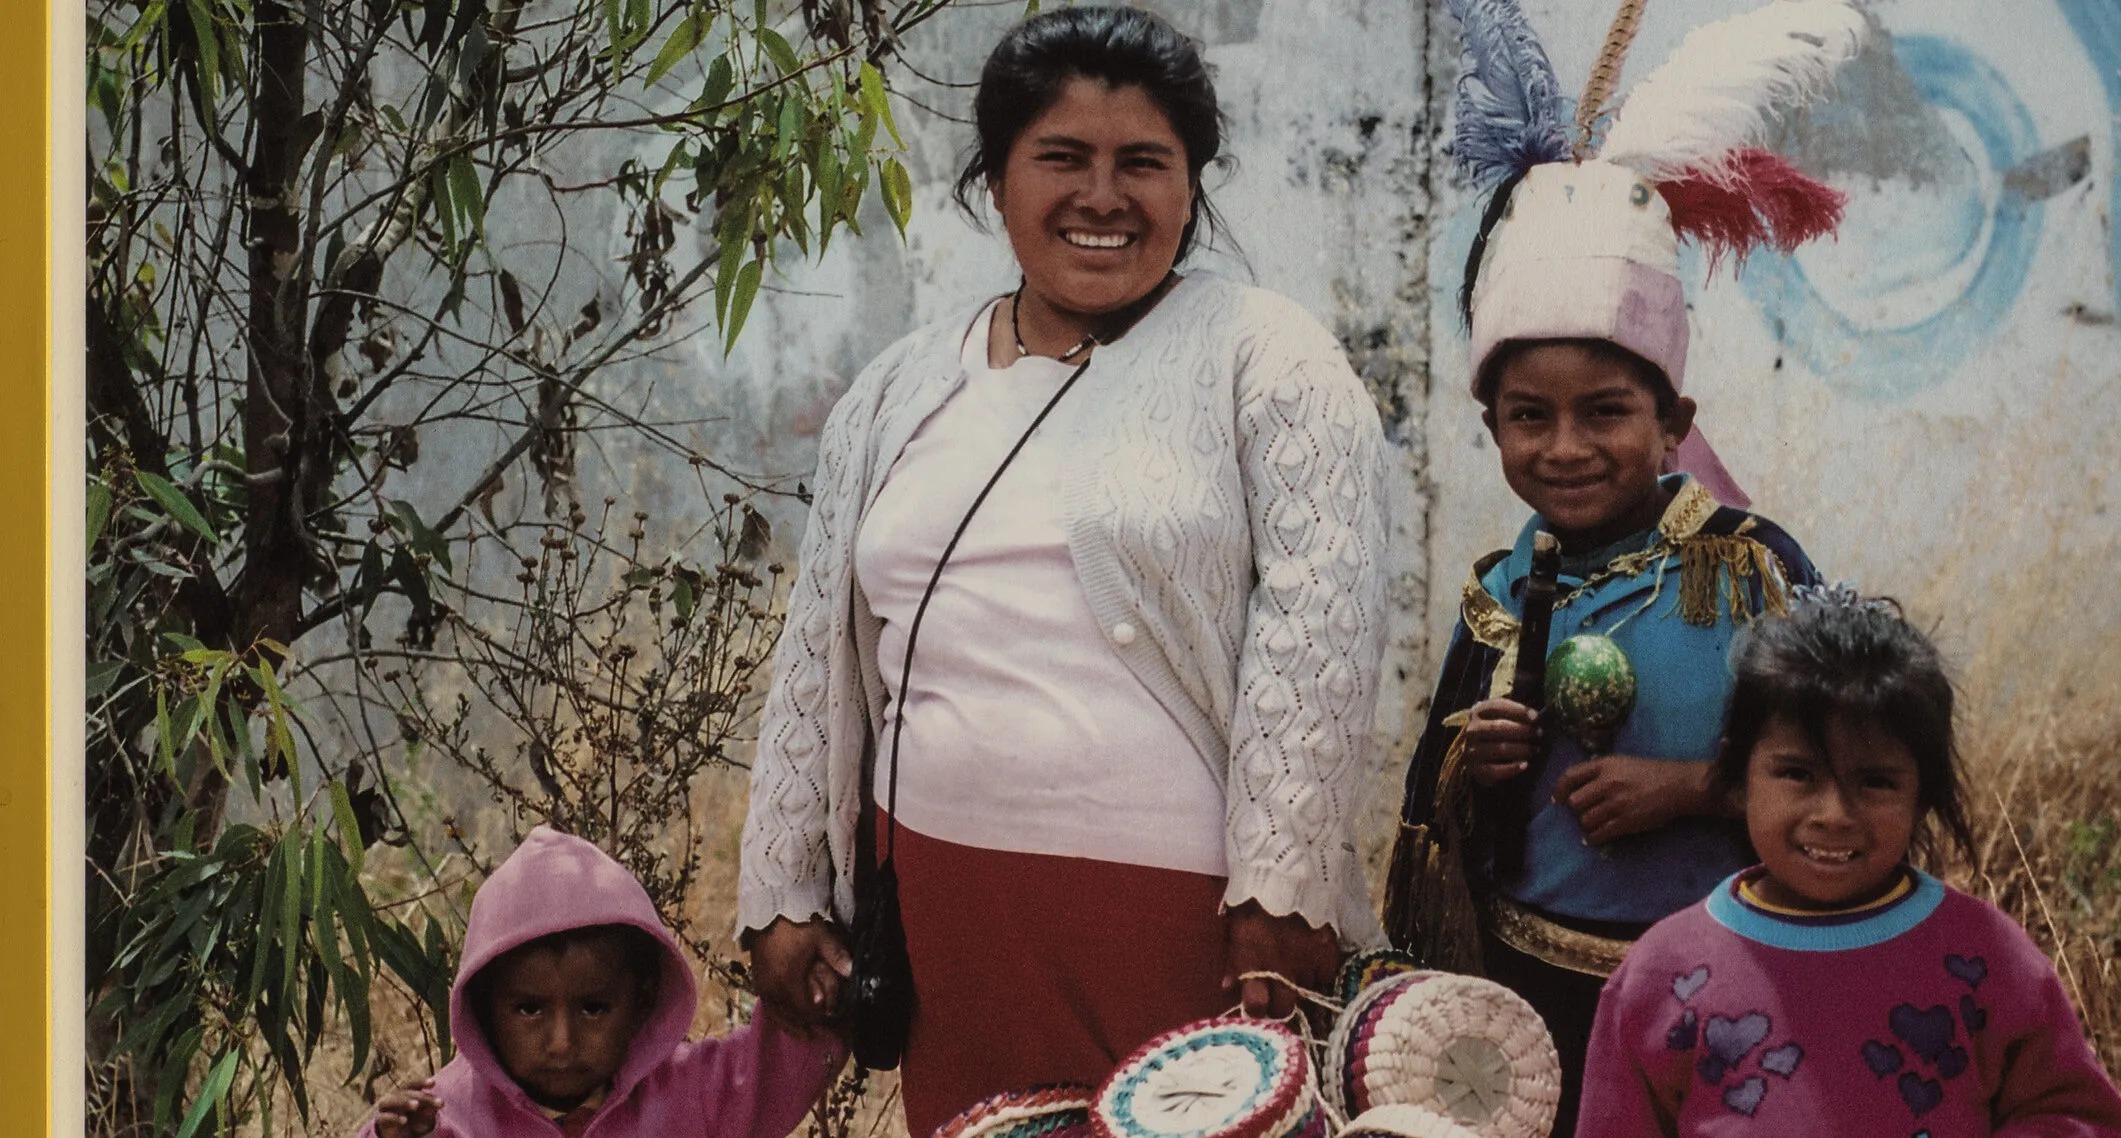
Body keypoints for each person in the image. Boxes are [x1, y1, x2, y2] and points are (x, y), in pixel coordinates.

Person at [731, 7, 1388, 1133]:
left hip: (1183, 912)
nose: (1102, 196)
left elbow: (1319, 623)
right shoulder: (898, 386)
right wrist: (783, 888)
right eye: (1060, 158)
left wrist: (1281, 882)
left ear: (1192, 182)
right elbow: (818, 649)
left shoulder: (1267, 358)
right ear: (995, 180)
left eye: (1143, 162)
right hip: (947, 907)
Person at [1386, 1, 1872, 1131]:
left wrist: (1698, 786)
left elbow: (1863, 746)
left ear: (1672, 419)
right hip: (1531, 993)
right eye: (1526, 416)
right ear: (1491, 423)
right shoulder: (1500, 593)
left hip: (1730, 991)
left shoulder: (1752, 572)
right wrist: (1476, 764)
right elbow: (1437, 817)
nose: (1564, 447)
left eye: (1604, 411)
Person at [1575, 589, 2121, 1136]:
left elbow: (2078, 1117)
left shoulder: (1984, 957)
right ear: (1738, 777)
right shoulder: (1661, 975)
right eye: (1798, 773)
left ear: (1922, 797)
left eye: (1875, 782)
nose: (1835, 814)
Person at [363, 826, 843, 1138]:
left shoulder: (689, 1095)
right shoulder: (449, 1117)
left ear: (642, 1000)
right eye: (529, 1009)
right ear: (486, 1004)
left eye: (593, 1008)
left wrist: (825, 977)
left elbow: (779, 1059)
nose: (562, 1042)